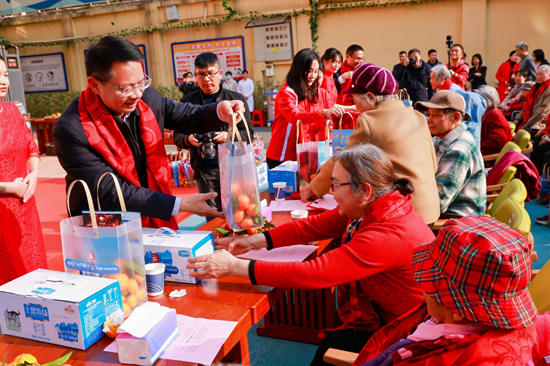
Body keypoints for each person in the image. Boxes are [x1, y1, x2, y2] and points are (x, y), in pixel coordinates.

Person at [188, 144, 436, 366]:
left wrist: (234, 267)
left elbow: (314, 274)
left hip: (406, 328)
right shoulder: (376, 206)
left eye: (335, 184)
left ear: (365, 190)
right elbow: (312, 227)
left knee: (330, 351)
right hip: (385, 312)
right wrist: (255, 240)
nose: (331, 193)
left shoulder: (386, 234)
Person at [53, 36, 245, 230]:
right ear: (95, 85)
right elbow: (108, 191)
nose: (137, 94)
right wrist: (179, 205)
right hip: (107, 227)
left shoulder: (146, 97)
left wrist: (219, 110)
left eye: (140, 82)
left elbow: (184, 114)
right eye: (125, 88)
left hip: (154, 215)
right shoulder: (72, 129)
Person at [353, 216, 538, 366]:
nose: (421, 283)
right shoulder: (516, 332)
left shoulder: (434, 355)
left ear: (457, 311)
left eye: (429, 281)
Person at [301, 63, 440, 225]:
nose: (356, 107)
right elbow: (433, 165)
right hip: (429, 208)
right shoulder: (418, 117)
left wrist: (315, 187)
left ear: (371, 98)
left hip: (402, 214)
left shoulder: (370, 121)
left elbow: (341, 161)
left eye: (355, 99)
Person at [174, 52, 253, 213]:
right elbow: (177, 136)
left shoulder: (235, 99)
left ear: (220, 74)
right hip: (204, 168)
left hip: (233, 165)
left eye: (211, 74)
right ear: (195, 76)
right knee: (213, 214)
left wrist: (228, 137)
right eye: (201, 75)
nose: (206, 79)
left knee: (239, 211)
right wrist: (188, 139)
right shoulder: (187, 102)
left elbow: (249, 134)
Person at [0, 55, 48, 286]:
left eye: (5, 75)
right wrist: (11, 188)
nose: (3, 82)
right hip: (2, 210)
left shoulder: (11, 110)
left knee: (33, 266)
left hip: (25, 206)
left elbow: (31, 148)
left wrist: (34, 175)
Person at [265, 49, 343, 169]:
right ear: (299, 70)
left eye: (316, 71)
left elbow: (314, 118)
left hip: (304, 152)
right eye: (309, 71)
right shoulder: (287, 92)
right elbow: (295, 117)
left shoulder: (311, 91)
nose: (313, 75)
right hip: (282, 155)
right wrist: (325, 113)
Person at [416, 90, 486, 217]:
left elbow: (436, 204)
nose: (428, 120)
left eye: (435, 115)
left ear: (456, 117)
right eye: (429, 114)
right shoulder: (443, 138)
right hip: (447, 213)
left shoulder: (458, 150)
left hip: (456, 222)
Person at [429, 64, 487, 148]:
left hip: (461, 142)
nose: (430, 81)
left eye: (432, 78)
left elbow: (464, 125)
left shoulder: (453, 94)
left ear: (442, 79)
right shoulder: (444, 91)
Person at [513, 65, 550, 136]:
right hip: (528, 120)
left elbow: (541, 113)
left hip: (538, 123)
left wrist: (526, 125)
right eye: (537, 74)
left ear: (549, 75)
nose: (538, 77)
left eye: (541, 74)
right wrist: (517, 118)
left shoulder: (548, 89)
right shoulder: (535, 87)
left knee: (522, 134)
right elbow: (527, 106)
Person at [476, 86, 513, 155]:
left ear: (487, 104)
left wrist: (475, 148)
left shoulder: (495, 116)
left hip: (492, 158)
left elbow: (497, 142)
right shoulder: (490, 113)